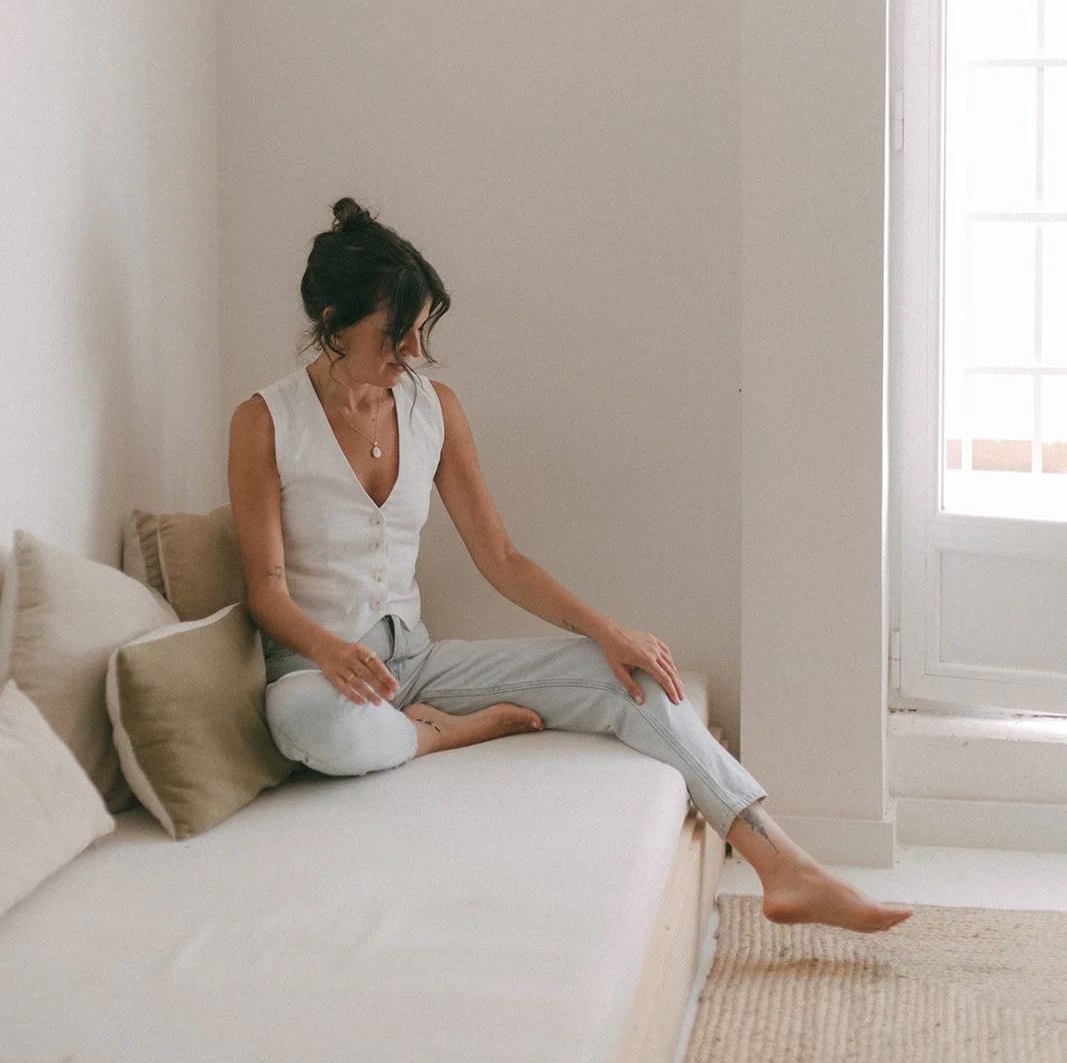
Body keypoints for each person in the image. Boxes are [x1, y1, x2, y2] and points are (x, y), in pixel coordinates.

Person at [229, 198, 913, 934]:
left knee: (631, 675)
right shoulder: (265, 421)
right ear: (333, 322)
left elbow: (500, 557)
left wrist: (605, 631)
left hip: (415, 666)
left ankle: (783, 865)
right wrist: (330, 650)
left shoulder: (435, 409)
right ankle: (443, 734)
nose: (413, 353)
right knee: (312, 725)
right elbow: (266, 593)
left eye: (421, 331)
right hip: (318, 675)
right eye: (394, 335)